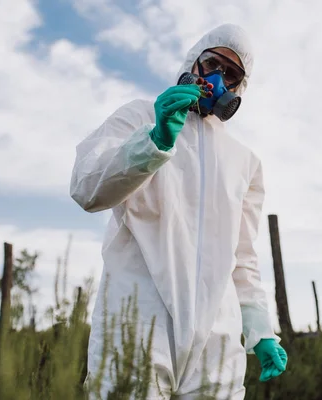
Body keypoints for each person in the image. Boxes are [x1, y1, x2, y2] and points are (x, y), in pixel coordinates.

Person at [70, 23, 287, 399]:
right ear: (193, 63)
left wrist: (259, 328)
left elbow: (243, 256)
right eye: (212, 64)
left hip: (218, 340)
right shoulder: (140, 117)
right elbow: (86, 189)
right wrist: (152, 142)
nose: (217, 78)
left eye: (231, 74)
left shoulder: (244, 161)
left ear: (239, 88)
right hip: (138, 326)